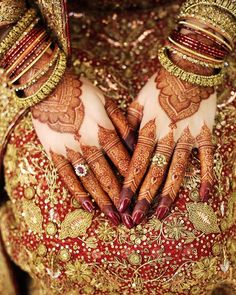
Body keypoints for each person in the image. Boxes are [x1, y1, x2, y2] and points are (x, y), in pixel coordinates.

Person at [0, 0, 235, 294]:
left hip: (204, 20)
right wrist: (33, 66)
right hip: (40, 29)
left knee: (197, 236)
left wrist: (199, 50)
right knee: (66, 239)